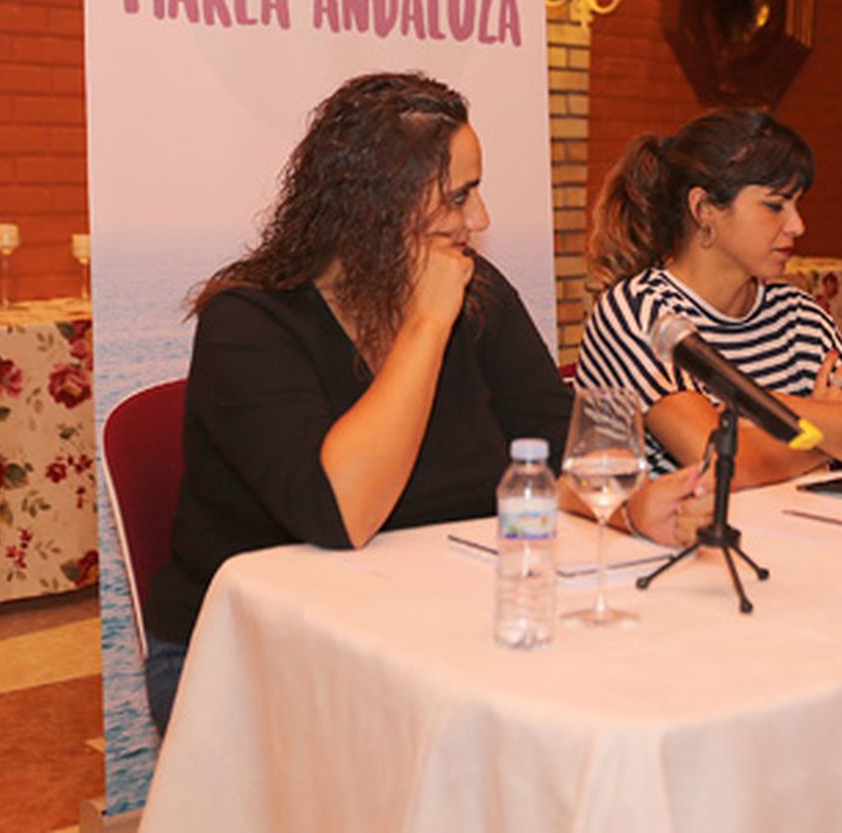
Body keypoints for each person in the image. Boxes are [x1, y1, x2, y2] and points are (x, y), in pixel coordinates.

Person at [143, 72, 706, 734]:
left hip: (437, 624)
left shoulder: (478, 294)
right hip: (249, 651)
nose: (482, 218)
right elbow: (342, 511)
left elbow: (558, 449)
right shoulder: (249, 322)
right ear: (378, 207)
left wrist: (633, 504)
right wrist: (426, 325)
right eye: (459, 196)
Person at [575, 108, 842, 487]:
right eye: (774, 206)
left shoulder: (798, 314)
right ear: (704, 209)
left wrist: (747, 415)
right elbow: (725, 465)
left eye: (797, 204)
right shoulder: (640, 313)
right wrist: (832, 430)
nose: (797, 225)